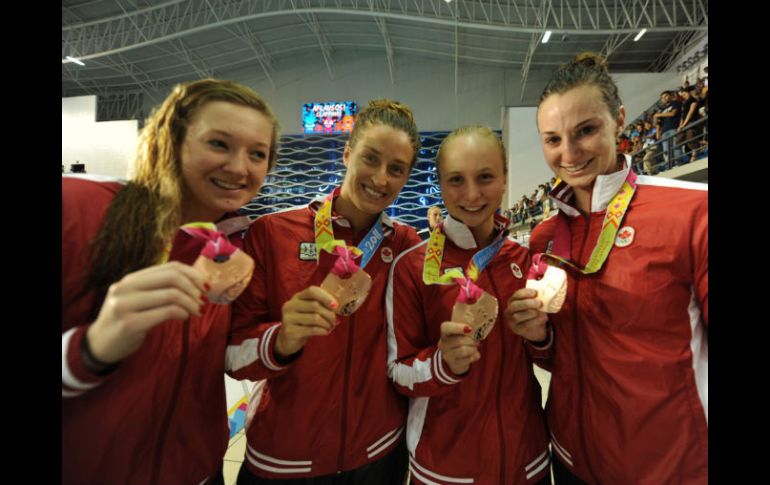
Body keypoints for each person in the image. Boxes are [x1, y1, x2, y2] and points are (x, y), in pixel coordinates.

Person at [62, 78, 280, 484]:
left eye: (257, 154)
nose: (239, 167)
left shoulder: (233, 247)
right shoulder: (78, 210)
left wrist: (284, 340)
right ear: (170, 139)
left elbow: (224, 359)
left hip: (199, 472)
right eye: (219, 143)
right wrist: (89, 351)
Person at [506, 52, 707, 484]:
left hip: (666, 466)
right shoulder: (544, 238)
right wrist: (538, 336)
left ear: (619, 120)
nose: (570, 153)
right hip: (571, 458)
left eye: (586, 130)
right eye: (553, 139)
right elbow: (560, 356)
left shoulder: (693, 213)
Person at [228, 99, 422, 484]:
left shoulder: (406, 245)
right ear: (348, 153)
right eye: (370, 158)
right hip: (284, 457)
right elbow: (232, 353)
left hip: (378, 454)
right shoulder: (273, 233)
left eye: (396, 169)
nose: (381, 179)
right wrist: (282, 340)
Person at [387, 125, 550, 484]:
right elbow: (397, 372)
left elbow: (555, 359)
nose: (472, 194)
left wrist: (540, 338)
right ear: (441, 185)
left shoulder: (526, 260)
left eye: (486, 177)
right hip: (445, 469)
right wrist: (442, 364)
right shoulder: (413, 268)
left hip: (528, 462)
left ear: (505, 178)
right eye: (456, 180)